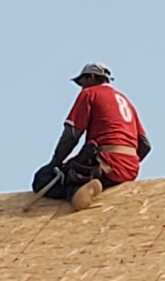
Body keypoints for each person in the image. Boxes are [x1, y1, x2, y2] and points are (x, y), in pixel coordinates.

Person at [32, 64, 151, 210]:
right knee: (80, 164)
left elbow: (72, 134)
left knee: (43, 178)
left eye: (82, 82)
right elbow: (145, 145)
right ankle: (99, 180)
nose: (81, 88)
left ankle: (76, 191)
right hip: (130, 168)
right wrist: (127, 163)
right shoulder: (127, 102)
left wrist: (55, 163)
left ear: (92, 77)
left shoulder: (90, 93)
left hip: (106, 162)